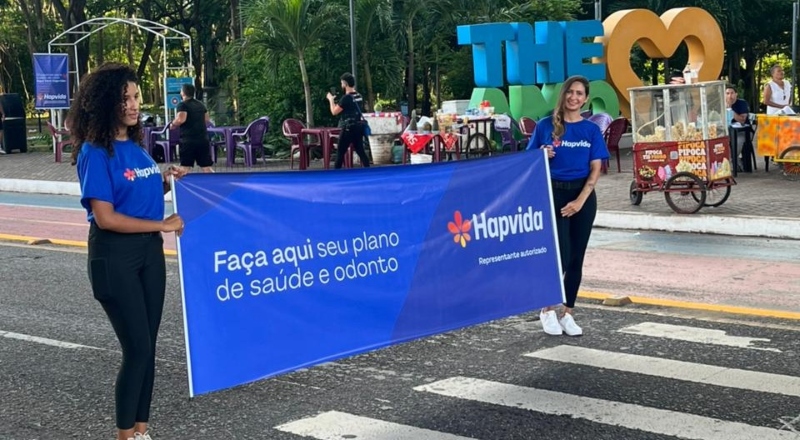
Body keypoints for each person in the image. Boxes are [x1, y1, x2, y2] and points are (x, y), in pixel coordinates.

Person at [68, 62, 186, 440]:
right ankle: (124, 436)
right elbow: (105, 217)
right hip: (114, 257)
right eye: (125, 99)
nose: (134, 105)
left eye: (135, 96)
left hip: (149, 255)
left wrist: (167, 181)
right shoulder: (94, 152)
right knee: (136, 348)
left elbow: (141, 195)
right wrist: (163, 225)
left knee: (148, 349)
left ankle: (140, 432)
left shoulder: (137, 148)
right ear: (105, 104)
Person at [525, 75, 609, 337]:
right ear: (563, 95)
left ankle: (568, 313)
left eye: (580, 94)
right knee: (560, 254)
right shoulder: (544, 126)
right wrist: (541, 155)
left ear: (585, 98)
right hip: (554, 196)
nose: (574, 97)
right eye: (570, 92)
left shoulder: (591, 130)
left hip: (582, 197)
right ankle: (547, 309)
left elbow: (596, 169)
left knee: (576, 258)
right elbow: (527, 162)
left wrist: (580, 200)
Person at [326, 72, 371, 169]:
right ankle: (368, 170)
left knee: (340, 153)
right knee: (360, 151)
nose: (341, 85)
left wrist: (331, 100)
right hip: (358, 127)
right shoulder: (359, 96)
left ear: (345, 84)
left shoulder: (346, 98)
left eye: (342, 83)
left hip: (348, 128)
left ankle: (336, 174)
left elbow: (334, 111)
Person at [169, 83, 214, 172]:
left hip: (188, 141)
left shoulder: (183, 105)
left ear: (183, 93)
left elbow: (180, 119)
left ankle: (182, 186)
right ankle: (216, 183)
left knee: (185, 167)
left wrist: (172, 124)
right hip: (202, 139)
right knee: (206, 167)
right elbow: (207, 119)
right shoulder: (201, 105)